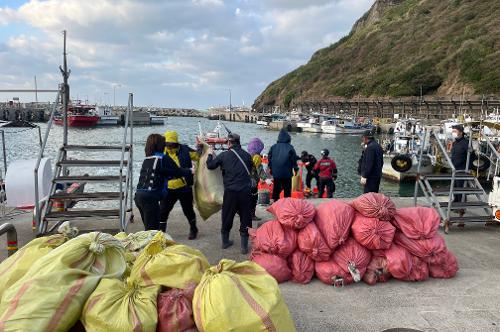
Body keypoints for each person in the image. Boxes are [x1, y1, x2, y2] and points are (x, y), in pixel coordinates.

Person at [206, 133, 253, 254]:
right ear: (239, 142)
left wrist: (210, 154)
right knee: (246, 218)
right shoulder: (248, 156)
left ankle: (225, 242)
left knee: (227, 216)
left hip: (230, 193)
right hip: (245, 192)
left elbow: (210, 166)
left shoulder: (224, 156)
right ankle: (243, 247)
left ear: (229, 143)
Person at [135, 134, 191, 231]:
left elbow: (160, 174)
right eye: (164, 144)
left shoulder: (147, 159)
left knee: (149, 230)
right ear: (160, 145)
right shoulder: (162, 158)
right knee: (152, 233)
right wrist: (190, 171)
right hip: (150, 198)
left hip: (139, 197)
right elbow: (178, 172)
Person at [159, 131, 200, 239]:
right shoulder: (162, 152)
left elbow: (198, 157)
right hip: (168, 188)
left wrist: (202, 148)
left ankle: (193, 229)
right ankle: (161, 233)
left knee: (188, 210)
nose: (169, 145)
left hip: (184, 187)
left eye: (172, 143)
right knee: (163, 211)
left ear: (176, 142)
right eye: (167, 143)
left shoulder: (185, 150)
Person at [268, 129, 299, 201]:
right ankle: (286, 204)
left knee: (276, 188)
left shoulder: (273, 147)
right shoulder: (290, 147)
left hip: (276, 173)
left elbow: (270, 158)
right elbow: (294, 159)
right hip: (287, 173)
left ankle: (275, 203)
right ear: (288, 138)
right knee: (287, 189)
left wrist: (271, 169)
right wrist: (296, 169)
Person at [247, 137, 267, 221]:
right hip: (254, 181)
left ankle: (244, 213)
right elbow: (259, 169)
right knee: (254, 199)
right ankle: (252, 215)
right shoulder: (257, 157)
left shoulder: (248, 155)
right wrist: (265, 178)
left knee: (247, 198)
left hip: (247, 180)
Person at [451, 124, 469, 206]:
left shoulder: (466, 143)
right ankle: (455, 202)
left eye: (455, 131)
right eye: (453, 131)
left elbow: (470, 156)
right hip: (454, 168)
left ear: (461, 132)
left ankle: (461, 205)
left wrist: (467, 167)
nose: (453, 132)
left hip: (462, 168)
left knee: (460, 187)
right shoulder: (455, 143)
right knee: (454, 186)